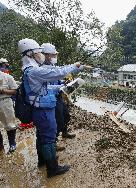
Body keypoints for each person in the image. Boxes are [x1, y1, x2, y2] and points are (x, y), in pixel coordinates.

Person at [18, 38, 84, 178]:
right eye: (37, 52)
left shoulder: (29, 70)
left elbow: (44, 88)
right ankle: (52, 169)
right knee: (48, 139)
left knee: (42, 137)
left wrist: (61, 87)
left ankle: (43, 161)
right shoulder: (34, 71)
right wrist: (75, 66)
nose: (40, 54)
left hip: (40, 109)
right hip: (44, 111)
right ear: (30, 54)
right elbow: (58, 73)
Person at [41, 43, 76, 141]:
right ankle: (54, 141)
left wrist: (63, 82)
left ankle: (64, 132)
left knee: (66, 115)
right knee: (57, 120)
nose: (55, 57)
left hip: (58, 96)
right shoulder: (42, 69)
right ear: (45, 55)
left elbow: (56, 80)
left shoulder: (52, 66)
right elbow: (46, 86)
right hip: (51, 98)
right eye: (53, 55)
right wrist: (60, 86)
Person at [0, 70, 17, 153]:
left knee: (10, 124)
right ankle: (0, 146)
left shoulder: (7, 77)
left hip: (5, 101)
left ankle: (12, 143)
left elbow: (14, 91)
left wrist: (3, 90)